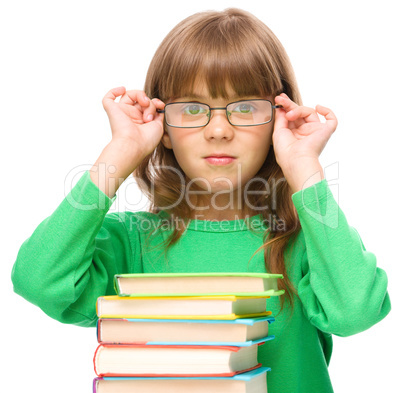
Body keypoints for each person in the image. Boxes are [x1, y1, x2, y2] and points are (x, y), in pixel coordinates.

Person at [11, 7, 390, 393]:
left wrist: (304, 168)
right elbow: (39, 281)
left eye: (244, 108)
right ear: (164, 126)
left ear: (278, 119)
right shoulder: (131, 243)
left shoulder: (308, 243)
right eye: (192, 109)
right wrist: (120, 151)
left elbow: (355, 312)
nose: (219, 130)